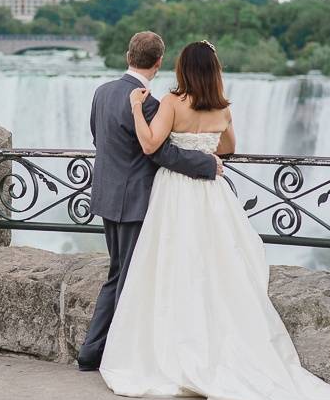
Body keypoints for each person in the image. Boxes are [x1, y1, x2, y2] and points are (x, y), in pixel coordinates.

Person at [98, 39, 330, 400]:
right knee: (216, 267)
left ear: (183, 69)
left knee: (173, 265)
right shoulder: (223, 108)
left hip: (174, 194)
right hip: (212, 195)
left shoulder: (171, 102)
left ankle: (170, 345)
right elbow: (228, 148)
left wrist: (138, 109)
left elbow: (151, 144)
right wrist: (203, 151)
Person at [76, 32, 222, 372]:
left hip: (107, 196)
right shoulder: (149, 103)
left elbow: (99, 138)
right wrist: (206, 164)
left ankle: (94, 350)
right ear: (159, 62)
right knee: (127, 277)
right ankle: (103, 352)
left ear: (128, 55)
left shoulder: (102, 93)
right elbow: (161, 152)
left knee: (118, 272)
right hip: (135, 201)